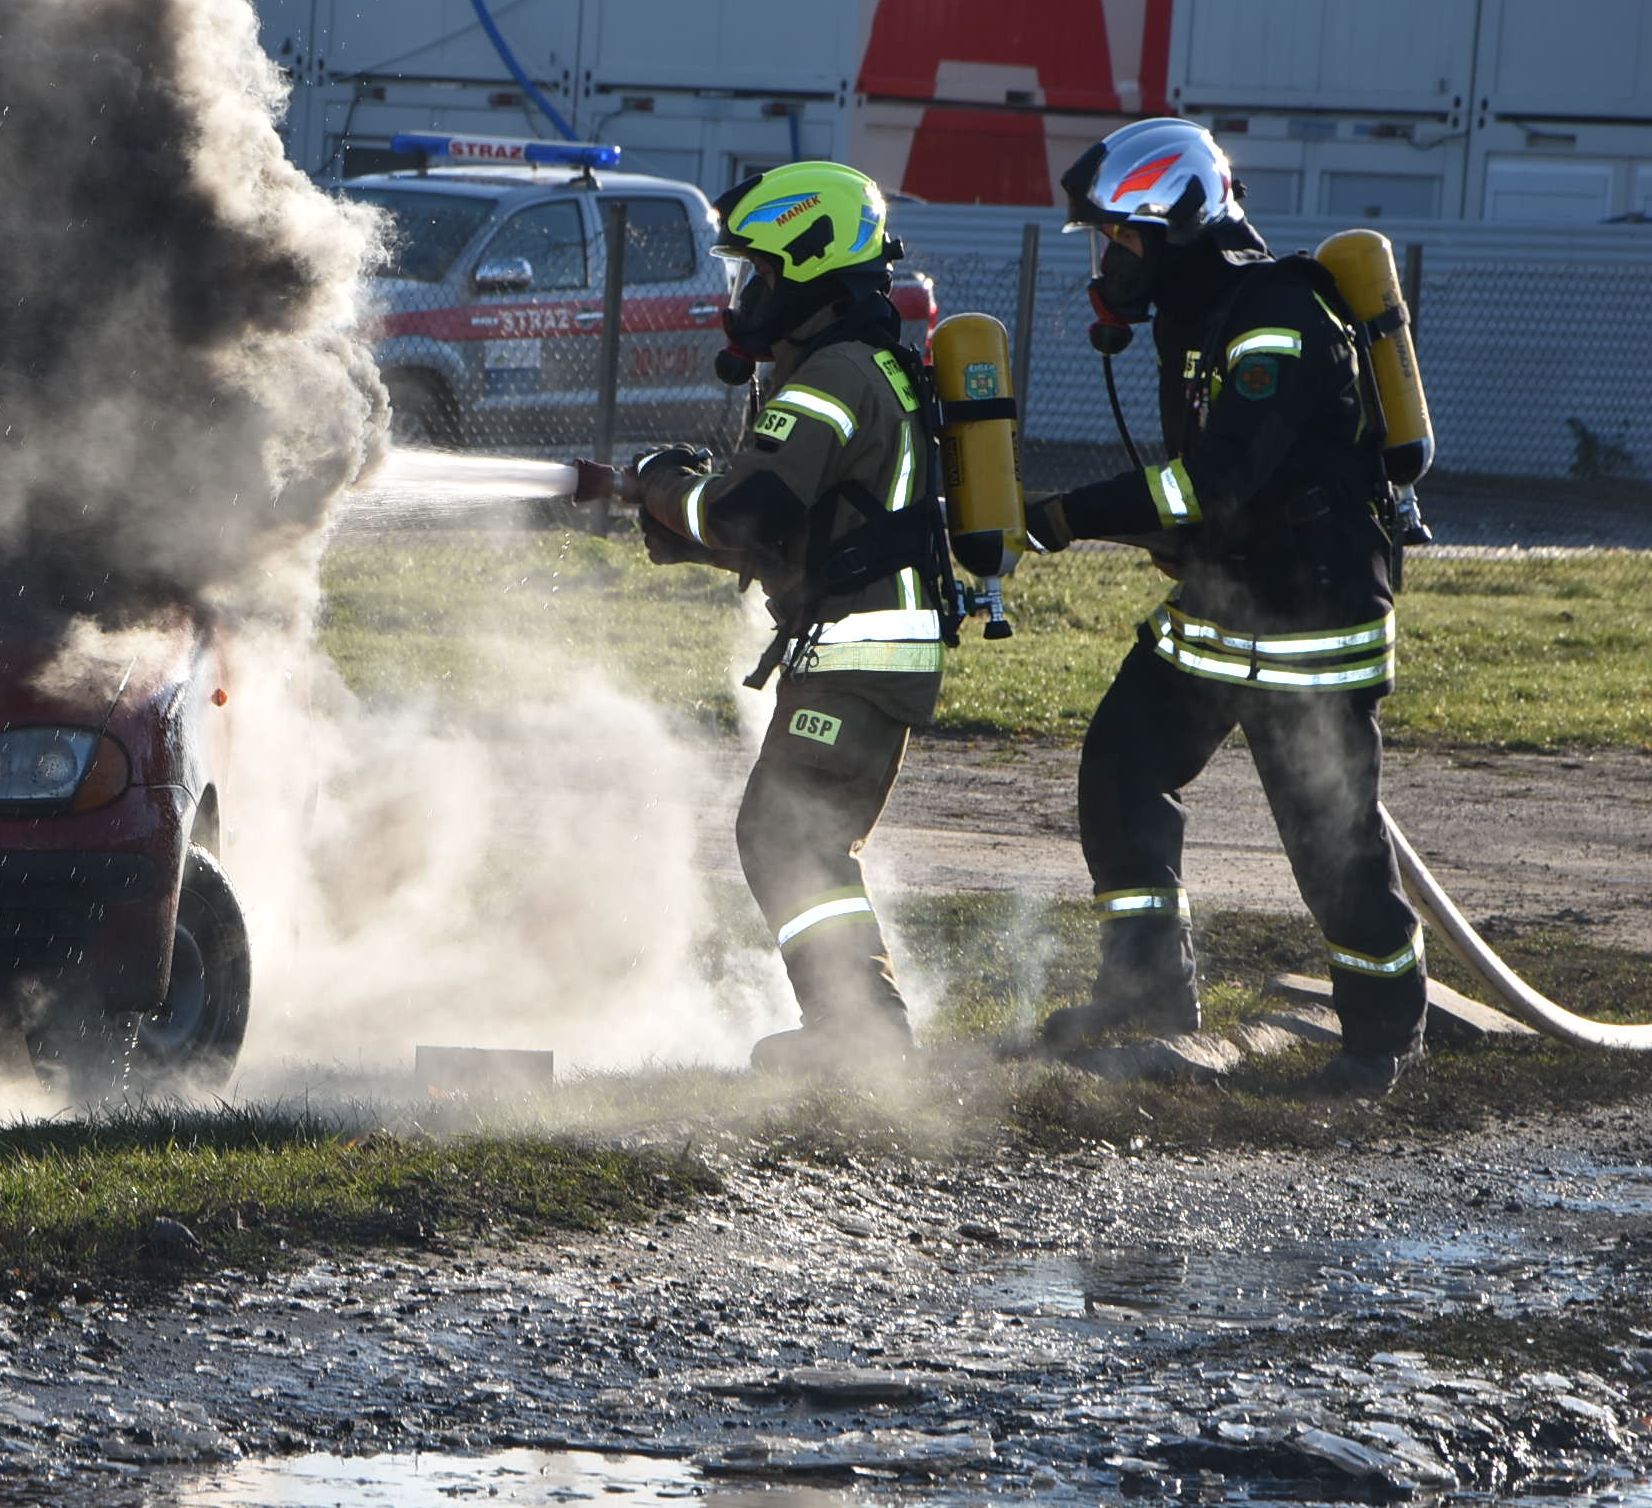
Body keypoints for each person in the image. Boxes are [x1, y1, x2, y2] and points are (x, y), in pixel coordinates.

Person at [1025, 116, 1426, 1094]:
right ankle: (1144, 990)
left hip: (1308, 625)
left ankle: (1381, 1042)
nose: (1109, 263)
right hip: (1221, 607)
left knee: (1331, 839)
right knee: (1122, 764)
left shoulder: (1277, 314)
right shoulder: (1197, 316)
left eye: (1120, 239)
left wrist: (1070, 515)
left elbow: (1215, 480)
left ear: (1178, 222)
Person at [589, 160, 942, 1074]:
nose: (744, 294)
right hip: (859, 647)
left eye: (757, 273)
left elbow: (747, 513)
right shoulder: (851, 365)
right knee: (790, 833)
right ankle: (855, 1030)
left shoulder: (835, 376)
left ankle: (862, 1035)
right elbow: (804, 533)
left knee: (791, 834)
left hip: (861, 653)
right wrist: (669, 518)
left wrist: (664, 485)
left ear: (807, 266)